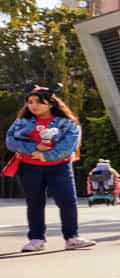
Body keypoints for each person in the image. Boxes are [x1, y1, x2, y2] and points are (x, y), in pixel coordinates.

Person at [5, 85, 93, 253]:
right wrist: (35, 148)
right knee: (35, 203)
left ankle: (72, 238)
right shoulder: (21, 122)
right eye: (30, 102)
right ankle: (36, 239)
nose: (33, 105)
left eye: (39, 102)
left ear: (51, 103)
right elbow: (10, 142)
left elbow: (69, 145)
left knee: (67, 201)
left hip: (59, 167)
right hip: (29, 167)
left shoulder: (67, 123)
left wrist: (47, 155)